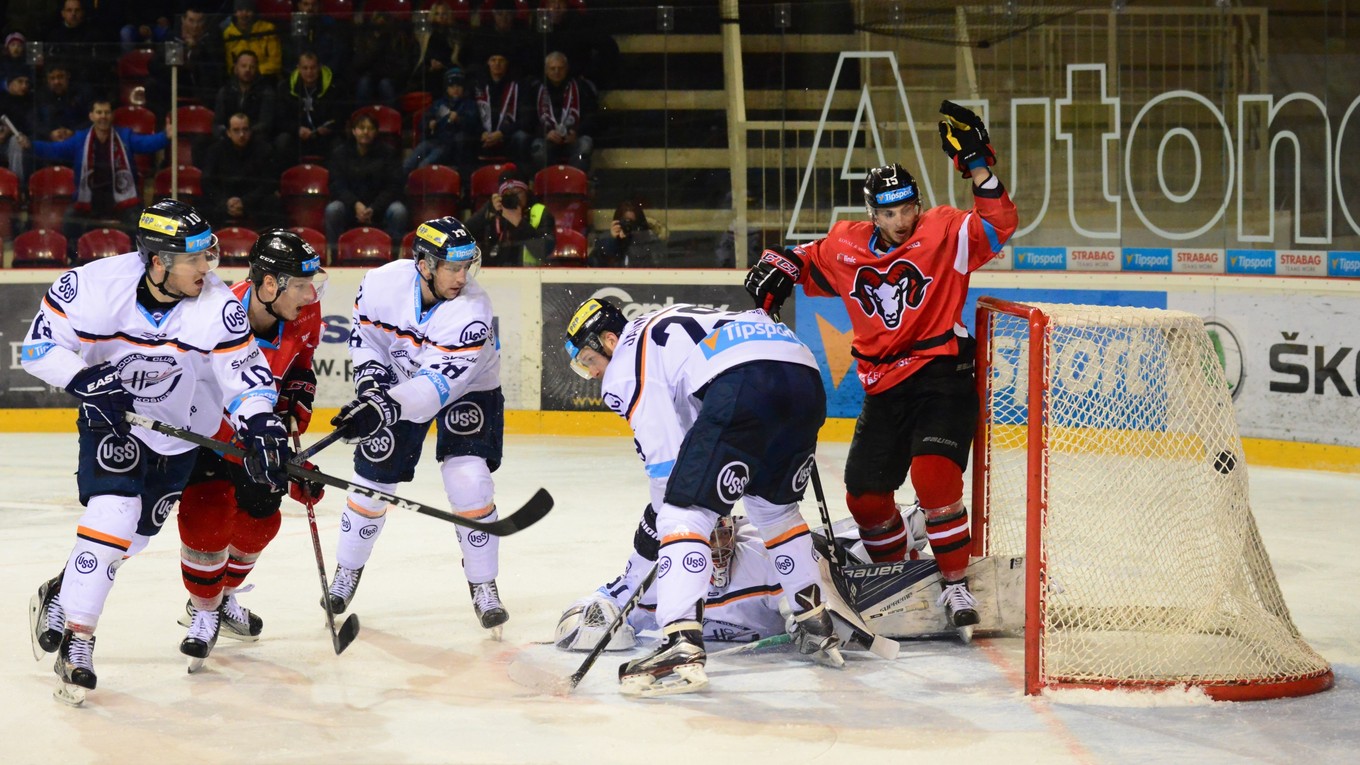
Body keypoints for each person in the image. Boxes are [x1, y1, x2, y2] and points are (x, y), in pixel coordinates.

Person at [743, 101, 1019, 639]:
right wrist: (779, 264)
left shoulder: (944, 231)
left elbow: (999, 222)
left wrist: (980, 165)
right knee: (864, 497)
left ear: (917, 203)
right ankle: (902, 573)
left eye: (907, 208)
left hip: (943, 372)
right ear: (873, 213)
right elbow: (803, 258)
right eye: (889, 213)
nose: (900, 221)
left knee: (934, 474)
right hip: (883, 386)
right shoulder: (846, 245)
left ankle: (953, 580)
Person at [21, 198, 291, 704]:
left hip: (178, 434)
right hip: (112, 423)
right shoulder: (92, 287)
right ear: (158, 260)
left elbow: (245, 378)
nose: (207, 269)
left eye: (207, 256)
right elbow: (38, 348)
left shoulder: (217, 305)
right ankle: (78, 643)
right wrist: (84, 378)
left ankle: (61, 590)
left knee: (133, 540)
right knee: (115, 513)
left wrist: (262, 424)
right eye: (194, 259)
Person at [562, 297, 841, 696]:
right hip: (803, 374)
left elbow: (667, 468)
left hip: (743, 379)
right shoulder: (666, 327)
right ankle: (815, 622)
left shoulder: (625, 359)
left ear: (610, 339)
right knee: (775, 509)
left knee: (682, 511)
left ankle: (679, 644)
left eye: (590, 360)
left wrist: (661, 524)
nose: (591, 374)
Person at [325, 216, 510, 638]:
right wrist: (372, 384)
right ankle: (346, 572)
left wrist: (382, 407)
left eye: (468, 267)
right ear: (424, 264)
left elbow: (436, 388)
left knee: (469, 482)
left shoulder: (472, 310)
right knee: (370, 481)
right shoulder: (379, 284)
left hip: (469, 390)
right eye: (453, 267)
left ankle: (483, 584)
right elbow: (366, 338)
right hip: (397, 382)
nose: (463, 277)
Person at [174, 229, 325, 668]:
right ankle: (202, 612)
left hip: (257, 430)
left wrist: (296, 398)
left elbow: (300, 366)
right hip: (203, 432)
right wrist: (257, 446)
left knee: (260, 521)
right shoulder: (214, 314)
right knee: (208, 520)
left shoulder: (305, 313)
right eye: (300, 283)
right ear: (269, 284)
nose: (310, 293)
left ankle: (223, 598)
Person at [556, 504, 931, 652]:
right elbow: (596, 606)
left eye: (722, 533)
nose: (717, 547)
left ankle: (916, 521)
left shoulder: (761, 556)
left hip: (809, 553)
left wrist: (805, 615)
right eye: (705, 538)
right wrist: (596, 620)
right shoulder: (659, 578)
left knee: (856, 551)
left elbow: (813, 589)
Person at [29, 99, 170, 255]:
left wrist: (165, 136)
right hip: (89, 200)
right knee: (70, 219)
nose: (103, 116)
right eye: (99, 112)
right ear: (91, 116)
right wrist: (30, 145)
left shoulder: (124, 135)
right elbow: (54, 150)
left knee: (138, 220)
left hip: (121, 200)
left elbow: (146, 143)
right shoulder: (80, 139)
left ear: (111, 115)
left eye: (107, 112)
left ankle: (135, 258)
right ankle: (74, 259)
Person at [323, 111, 409, 250]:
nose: (365, 132)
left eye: (370, 128)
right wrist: (355, 205)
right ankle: (333, 257)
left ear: (376, 132)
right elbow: (336, 185)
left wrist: (374, 208)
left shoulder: (388, 153)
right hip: (350, 208)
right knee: (333, 209)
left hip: (380, 208)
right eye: (361, 128)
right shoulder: (340, 153)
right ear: (354, 131)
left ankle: (393, 259)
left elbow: (394, 186)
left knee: (398, 211)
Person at [201, 112, 282, 230]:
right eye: (236, 130)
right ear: (228, 132)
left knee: (273, 203)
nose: (242, 134)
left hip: (253, 201)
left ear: (250, 131)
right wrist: (225, 202)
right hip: (225, 199)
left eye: (245, 129)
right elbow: (206, 182)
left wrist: (244, 202)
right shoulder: (215, 150)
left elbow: (269, 183)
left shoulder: (263, 149)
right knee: (202, 206)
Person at [466, 167, 554, 267]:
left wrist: (520, 223)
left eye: (517, 193)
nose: (513, 198)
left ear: (526, 192)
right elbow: (464, 236)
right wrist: (486, 210)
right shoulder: (495, 212)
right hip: (494, 273)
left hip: (529, 275)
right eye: (507, 194)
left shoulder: (540, 211)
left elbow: (545, 251)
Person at [403, 66, 478, 179]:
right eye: (452, 86)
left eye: (459, 86)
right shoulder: (439, 104)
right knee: (409, 163)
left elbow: (474, 126)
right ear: (447, 88)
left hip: (449, 146)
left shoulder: (469, 105)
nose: (455, 89)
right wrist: (429, 124)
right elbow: (422, 123)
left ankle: (418, 189)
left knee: (424, 165)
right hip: (432, 141)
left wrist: (459, 119)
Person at [528, 50, 596, 173]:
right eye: (552, 68)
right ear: (546, 70)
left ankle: (574, 180)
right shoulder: (534, 89)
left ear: (567, 69)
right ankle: (551, 182)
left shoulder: (581, 87)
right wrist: (546, 132)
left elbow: (591, 116)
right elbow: (528, 120)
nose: (556, 72)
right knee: (538, 150)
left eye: (560, 68)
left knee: (585, 146)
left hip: (573, 138)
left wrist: (577, 132)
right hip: (547, 138)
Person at [274, 50, 345, 164]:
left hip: (323, 137)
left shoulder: (333, 88)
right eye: (305, 68)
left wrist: (327, 128)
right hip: (298, 137)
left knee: (338, 144)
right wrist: (297, 129)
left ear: (320, 67)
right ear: (298, 68)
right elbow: (281, 119)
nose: (309, 72)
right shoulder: (286, 88)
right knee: (282, 141)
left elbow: (339, 117)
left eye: (313, 68)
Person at [472, 50, 529, 166]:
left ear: (507, 64)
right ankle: (468, 180)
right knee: (462, 137)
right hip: (483, 137)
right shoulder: (478, 86)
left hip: (507, 136)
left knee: (522, 137)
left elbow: (526, 119)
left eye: (501, 60)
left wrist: (502, 133)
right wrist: (482, 133)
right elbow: (470, 115)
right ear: (488, 63)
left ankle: (520, 175)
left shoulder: (518, 86)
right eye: (493, 60)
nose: (497, 64)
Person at [213, 50, 277, 142]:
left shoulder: (266, 91)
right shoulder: (225, 91)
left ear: (257, 69)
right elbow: (218, 122)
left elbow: (265, 123)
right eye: (243, 66)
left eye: (252, 67)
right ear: (235, 68)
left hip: (254, 138)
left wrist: (244, 133)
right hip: (229, 137)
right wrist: (230, 134)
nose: (247, 69)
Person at [588, 200, 664, 268]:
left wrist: (636, 240)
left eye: (632, 223)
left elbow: (655, 265)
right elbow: (594, 264)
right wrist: (612, 241)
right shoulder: (606, 242)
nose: (628, 227)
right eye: (625, 222)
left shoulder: (650, 242)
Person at [223, 0, 283, 82]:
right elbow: (231, 67)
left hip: (266, 79)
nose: (244, 14)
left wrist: (252, 71)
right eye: (240, 10)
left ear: (254, 12)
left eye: (248, 10)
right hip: (239, 81)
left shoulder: (268, 29)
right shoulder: (228, 33)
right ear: (235, 12)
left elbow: (276, 63)